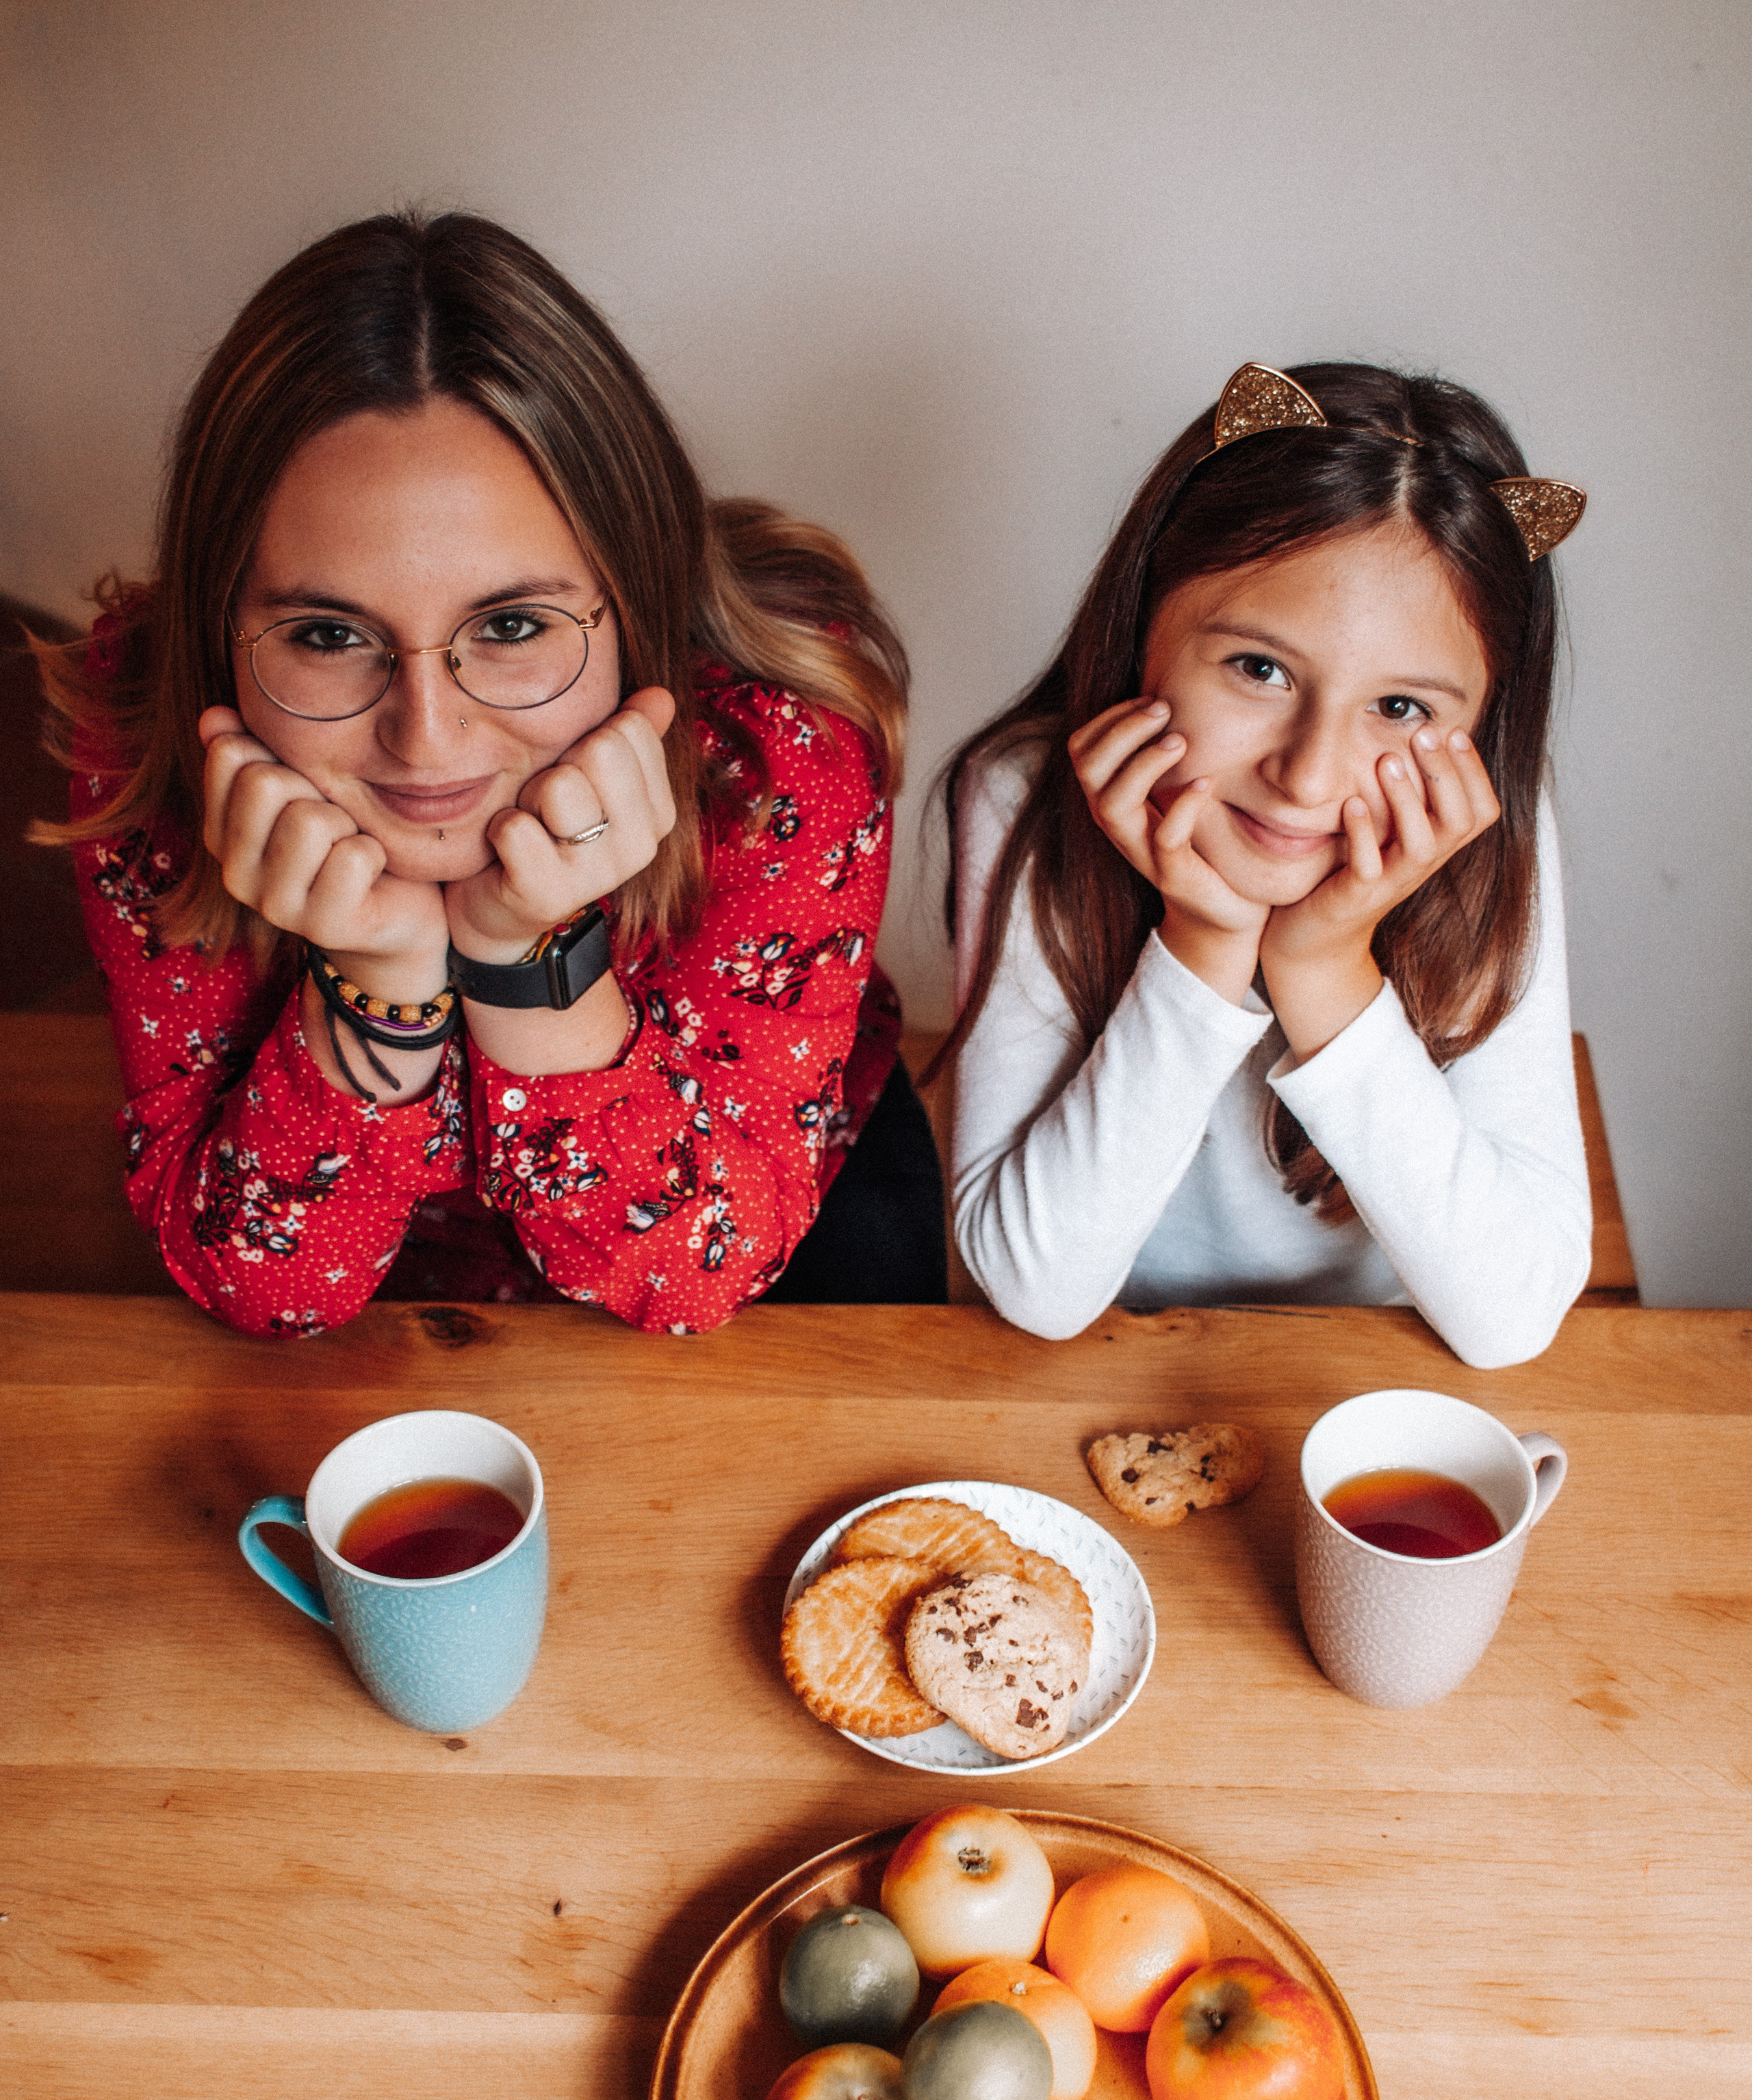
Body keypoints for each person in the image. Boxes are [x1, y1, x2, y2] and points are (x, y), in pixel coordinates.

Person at [36, 209, 944, 1336]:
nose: (428, 739)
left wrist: (526, 958)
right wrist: (381, 972)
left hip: (765, 1209)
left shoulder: (776, 737)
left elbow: (702, 1272)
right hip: (379, 1260)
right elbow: (262, 1286)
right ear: (224, 627)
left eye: (512, 625)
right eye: (328, 635)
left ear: (638, 600)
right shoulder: (150, 726)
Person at [937, 362, 1591, 1369]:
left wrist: (1327, 966)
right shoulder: (1019, 794)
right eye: (1260, 669)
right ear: (1143, 628)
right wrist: (1204, 943)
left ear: (1480, 727)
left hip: (1372, 1360)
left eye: (1402, 707)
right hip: (1099, 1360)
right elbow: (1035, 1287)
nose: (1306, 775)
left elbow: (1511, 1319)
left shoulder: (1492, 826)